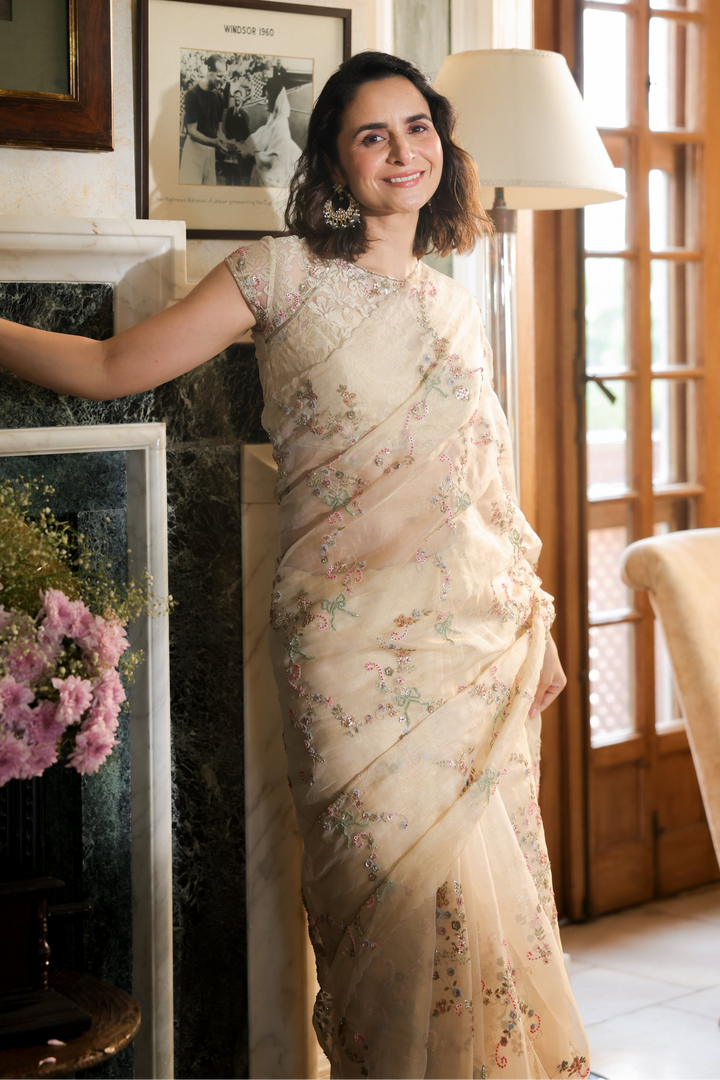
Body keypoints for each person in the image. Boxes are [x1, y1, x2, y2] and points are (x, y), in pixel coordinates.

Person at [0, 51, 590, 1080]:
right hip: (346, 660)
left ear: (443, 147)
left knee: (478, 920)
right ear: (332, 160)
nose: (403, 152)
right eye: (373, 134)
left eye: (417, 128)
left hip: (468, 657)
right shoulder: (279, 274)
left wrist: (536, 617)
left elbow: (486, 482)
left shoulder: (454, 307)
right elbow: (107, 368)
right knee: (387, 923)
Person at [179, 53, 229, 185]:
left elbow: (219, 131)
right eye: (219, 76)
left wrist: (228, 143)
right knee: (191, 194)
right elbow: (192, 132)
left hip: (210, 153)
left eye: (224, 77)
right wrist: (214, 143)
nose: (222, 80)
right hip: (194, 152)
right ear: (209, 70)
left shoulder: (220, 96)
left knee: (208, 194)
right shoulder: (192, 94)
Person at [244, 85, 301, 188]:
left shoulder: (280, 125)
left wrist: (254, 155)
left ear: (274, 100)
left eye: (267, 98)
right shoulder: (274, 122)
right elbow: (261, 137)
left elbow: (275, 158)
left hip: (277, 172)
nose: (265, 101)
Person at [220, 89, 252, 187]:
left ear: (241, 98)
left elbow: (246, 132)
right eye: (235, 97)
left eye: (238, 97)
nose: (237, 99)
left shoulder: (245, 114)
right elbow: (226, 126)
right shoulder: (229, 111)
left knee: (237, 175)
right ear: (233, 98)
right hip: (229, 146)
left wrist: (237, 140)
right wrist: (229, 140)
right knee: (228, 174)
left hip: (239, 147)